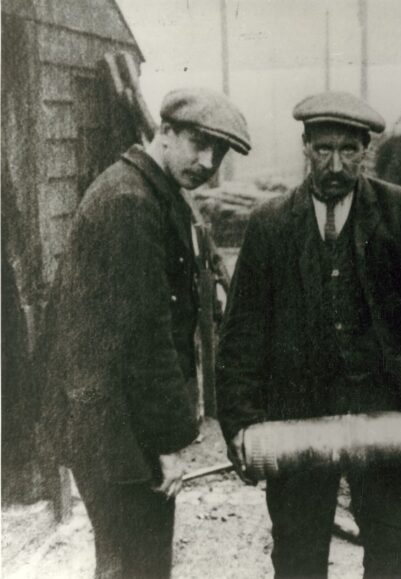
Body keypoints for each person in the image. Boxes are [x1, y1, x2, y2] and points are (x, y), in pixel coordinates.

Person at [216, 91, 401, 579]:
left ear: (365, 151)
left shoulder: (399, 213)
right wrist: (241, 423)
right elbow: (242, 332)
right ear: (306, 146)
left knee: (392, 546)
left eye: (348, 151)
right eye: (324, 149)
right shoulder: (270, 223)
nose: (335, 164)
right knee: (297, 551)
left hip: (382, 408)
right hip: (295, 415)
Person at [39, 88, 251, 579]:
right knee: (137, 565)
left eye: (218, 152)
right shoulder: (130, 203)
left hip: (115, 419)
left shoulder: (149, 191)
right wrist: (166, 445)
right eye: (198, 143)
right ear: (166, 132)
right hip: (114, 427)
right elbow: (146, 336)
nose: (207, 161)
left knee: (129, 563)